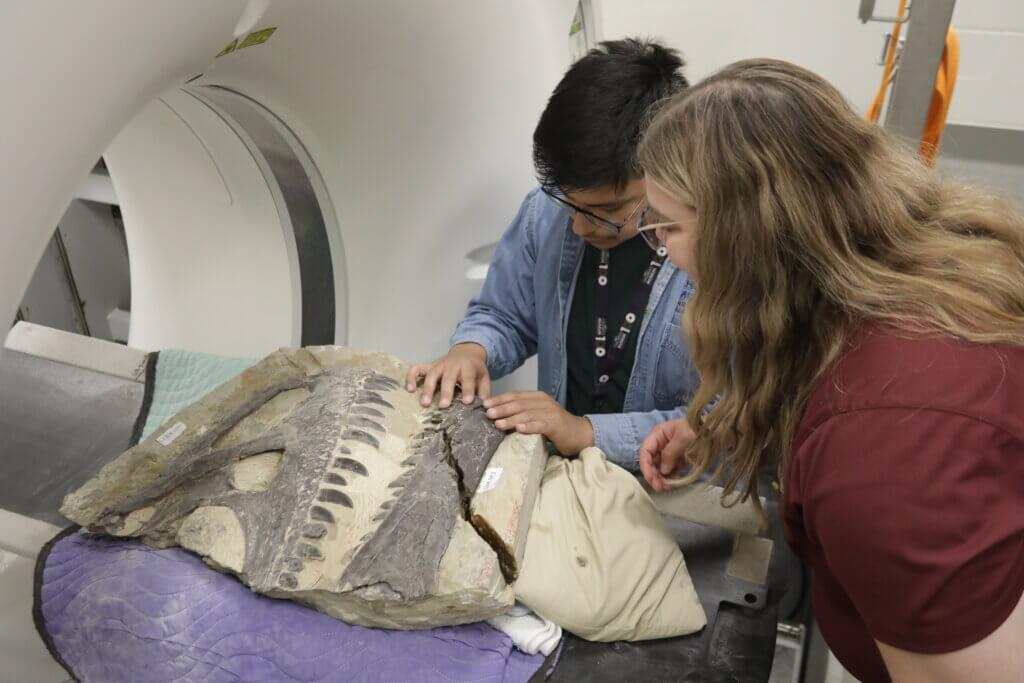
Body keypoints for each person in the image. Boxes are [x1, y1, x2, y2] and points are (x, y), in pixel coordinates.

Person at [636, 59, 1024, 682]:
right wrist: (732, 423)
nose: (660, 247)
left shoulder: (887, 451)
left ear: (744, 241)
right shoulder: (913, 266)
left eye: (668, 226)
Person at [405, 39, 698, 468]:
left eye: (605, 212)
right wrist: (470, 351)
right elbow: (504, 316)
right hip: (563, 471)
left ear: (666, 171)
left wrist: (584, 432)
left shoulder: (711, 253)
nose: (579, 226)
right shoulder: (545, 211)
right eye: (569, 206)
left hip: (669, 483)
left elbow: (724, 423)